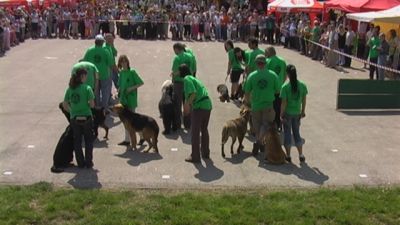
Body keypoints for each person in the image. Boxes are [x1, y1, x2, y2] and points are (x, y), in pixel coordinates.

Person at [244, 54, 280, 156]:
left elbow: (246, 91)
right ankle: (260, 142)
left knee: (257, 126)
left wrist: (247, 102)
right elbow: (278, 90)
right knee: (266, 124)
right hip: (268, 105)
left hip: (255, 105)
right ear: (265, 63)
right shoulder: (273, 75)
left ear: (256, 63)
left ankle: (258, 142)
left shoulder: (252, 76)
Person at [62, 68, 95, 168]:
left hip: (75, 118)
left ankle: (80, 162)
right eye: (85, 76)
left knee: (77, 140)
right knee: (88, 140)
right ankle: (88, 162)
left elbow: (65, 104)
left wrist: (71, 111)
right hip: (86, 117)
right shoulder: (87, 88)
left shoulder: (70, 89)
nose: (86, 78)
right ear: (82, 77)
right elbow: (92, 104)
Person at [180, 64, 212, 163]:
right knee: (204, 129)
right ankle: (205, 153)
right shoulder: (195, 79)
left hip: (199, 107)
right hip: (207, 105)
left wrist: (187, 104)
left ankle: (195, 156)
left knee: (195, 132)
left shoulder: (186, 79)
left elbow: (193, 93)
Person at [280, 64, 308, 163]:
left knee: (287, 134)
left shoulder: (285, 87)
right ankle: (301, 154)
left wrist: (281, 114)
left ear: (287, 74)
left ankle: (288, 156)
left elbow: (284, 103)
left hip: (287, 113)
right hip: (297, 113)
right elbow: (304, 99)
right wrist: (303, 111)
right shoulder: (302, 85)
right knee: (297, 134)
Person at [116, 55, 144, 146]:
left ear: (128, 62)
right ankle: (127, 139)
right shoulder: (121, 73)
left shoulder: (132, 72)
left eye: (125, 61)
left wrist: (131, 88)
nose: (124, 63)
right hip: (123, 100)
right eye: (122, 62)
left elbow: (140, 83)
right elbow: (120, 85)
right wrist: (118, 92)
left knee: (133, 121)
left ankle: (141, 136)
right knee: (125, 121)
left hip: (131, 99)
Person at [83, 34, 114, 109]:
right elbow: (110, 63)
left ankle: (96, 106)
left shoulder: (89, 50)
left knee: (95, 91)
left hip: (93, 75)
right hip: (104, 75)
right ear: (102, 42)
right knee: (105, 92)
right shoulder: (105, 51)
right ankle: (104, 107)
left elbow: (84, 62)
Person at [170, 43, 192, 130]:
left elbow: (175, 71)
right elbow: (192, 69)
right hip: (188, 82)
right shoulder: (190, 57)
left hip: (178, 83)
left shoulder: (177, 58)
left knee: (177, 104)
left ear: (176, 49)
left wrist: (172, 75)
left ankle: (178, 124)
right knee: (187, 103)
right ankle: (188, 124)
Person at [265, 46, 287, 130]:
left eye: (266, 52)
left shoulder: (268, 61)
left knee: (270, 108)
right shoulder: (282, 61)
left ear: (268, 53)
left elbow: (266, 75)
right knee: (278, 107)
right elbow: (285, 75)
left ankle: (272, 124)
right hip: (280, 88)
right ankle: (278, 124)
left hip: (271, 90)